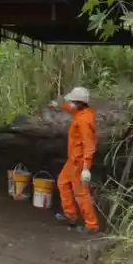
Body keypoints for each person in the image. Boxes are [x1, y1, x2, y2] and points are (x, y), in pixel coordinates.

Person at [50, 86, 99, 234]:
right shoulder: (81, 112)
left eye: (72, 102)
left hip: (79, 162)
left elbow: (89, 145)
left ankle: (92, 225)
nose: (71, 104)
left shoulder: (84, 120)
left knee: (81, 193)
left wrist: (86, 167)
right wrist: (59, 104)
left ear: (79, 102)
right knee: (62, 182)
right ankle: (70, 215)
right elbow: (70, 109)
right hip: (73, 160)